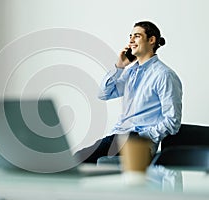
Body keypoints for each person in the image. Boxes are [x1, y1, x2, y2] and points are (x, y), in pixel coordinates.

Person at [75, 21, 182, 163]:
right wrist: (119, 66)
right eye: (130, 36)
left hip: (140, 142)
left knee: (79, 159)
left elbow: (172, 121)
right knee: (78, 157)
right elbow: (103, 94)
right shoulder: (131, 72)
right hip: (119, 136)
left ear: (151, 40)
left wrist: (142, 136)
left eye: (136, 36)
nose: (131, 40)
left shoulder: (164, 75)